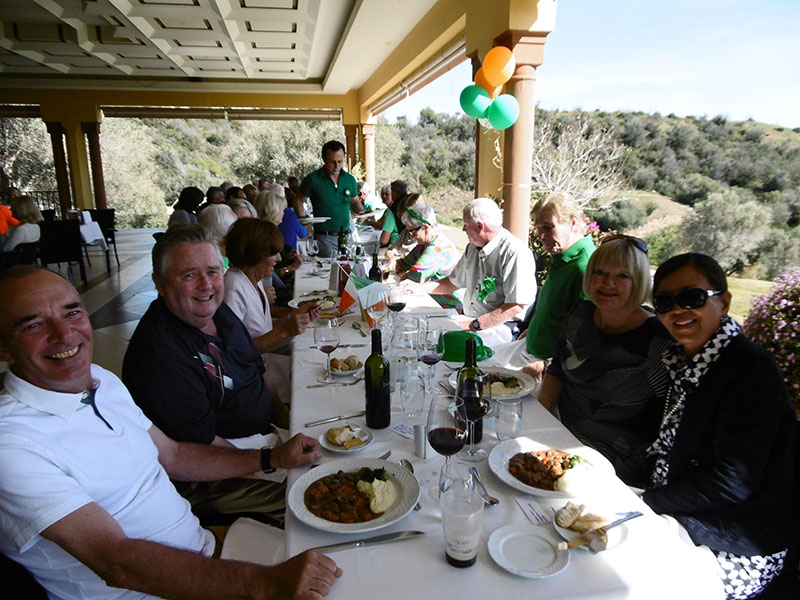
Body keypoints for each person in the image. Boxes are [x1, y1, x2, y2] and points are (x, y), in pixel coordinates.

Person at [0, 266, 341, 600]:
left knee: (342, 540)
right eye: (33, 325)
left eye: (72, 312)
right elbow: (116, 561)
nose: (64, 333)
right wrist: (265, 585)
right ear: (3, 348)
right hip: (148, 591)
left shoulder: (100, 381)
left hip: (205, 552)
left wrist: (271, 458)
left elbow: (175, 456)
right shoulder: (12, 445)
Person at [643, 252, 795, 599]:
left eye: (692, 297)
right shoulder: (683, 360)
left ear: (723, 302)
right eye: (664, 302)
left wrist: (648, 501)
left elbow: (731, 482)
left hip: (734, 544)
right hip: (679, 512)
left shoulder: (750, 370)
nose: (677, 310)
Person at [122, 225, 291, 523]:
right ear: (159, 283)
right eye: (189, 275)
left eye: (213, 272)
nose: (206, 285)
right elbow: (198, 448)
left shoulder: (216, 312)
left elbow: (256, 367)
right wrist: (269, 467)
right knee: (304, 503)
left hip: (263, 441)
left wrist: (285, 417)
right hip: (217, 474)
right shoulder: (159, 355)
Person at [537, 235, 673, 486]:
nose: (608, 283)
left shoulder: (658, 341)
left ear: (639, 281)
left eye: (622, 276)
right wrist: (541, 421)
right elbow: (557, 369)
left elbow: (669, 417)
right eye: (600, 272)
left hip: (616, 463)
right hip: (559, 436)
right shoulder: (580, 314)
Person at [494, 192, 596, 378]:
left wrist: (546, 364)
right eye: (538, 228)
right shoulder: (562, 257)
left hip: (544, 365)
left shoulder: (584, 266)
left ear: (573, 222)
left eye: (548, 227)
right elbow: (556, 310)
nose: (541, 236)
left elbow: (583, 338)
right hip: (528, 349)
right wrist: (533, 331)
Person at [222, 219, 318, 401]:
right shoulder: (233, 287)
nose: (279, 259)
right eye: (273, 253)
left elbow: (261, 328)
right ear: (256, 254)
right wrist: (283, 331)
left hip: (266, 364)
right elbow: (234, 353)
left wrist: (294, 316)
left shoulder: (253, 280)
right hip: (254, 378)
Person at [416, 198, 537, 341]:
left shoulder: (514, 252)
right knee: (424, 330)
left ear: (480, 226)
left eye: (466, 225)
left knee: (441, 342)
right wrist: (417, 288)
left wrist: (473, 325)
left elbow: (514, 307)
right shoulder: (473, 247)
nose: (463, 229)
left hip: (500, 327)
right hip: (471, 320)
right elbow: (451, 283)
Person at [292, 140, 358, 257]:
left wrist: (362, 212)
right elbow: (298, 200)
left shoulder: (350, 179)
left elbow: (354, 201)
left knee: (349, 267)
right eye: (332, 162)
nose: (337, 166)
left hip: (347, 236)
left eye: (340, 161)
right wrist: (303, 221)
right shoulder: (313, 179)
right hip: (324, 238)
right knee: (328, 268)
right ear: (323, 159)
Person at [392, 204, 463, 311]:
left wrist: (404, 274)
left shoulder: (437, 248)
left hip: (448, 307)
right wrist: (392, 263)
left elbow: (412, 279)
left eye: (413, 232)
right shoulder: (424, 244)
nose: (411, 236)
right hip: (430, 300)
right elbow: (403, 264)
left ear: (425, 228)